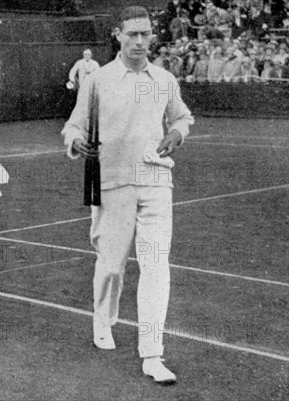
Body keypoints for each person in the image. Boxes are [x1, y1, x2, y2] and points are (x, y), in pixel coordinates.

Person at [61, 6, 193, 384]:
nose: (139, 42)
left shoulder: (164, 79)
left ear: (152, 37)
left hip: (155, 180)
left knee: (156, 266)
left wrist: (177, 134)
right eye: (132, 34)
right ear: (118, 35)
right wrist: (77, 141)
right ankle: (103, 319)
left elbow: (182, 117)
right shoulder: (99, 80)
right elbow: (72, 126)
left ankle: (152, 354)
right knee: (112, 264)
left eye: (145, 35)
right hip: (112, 182)